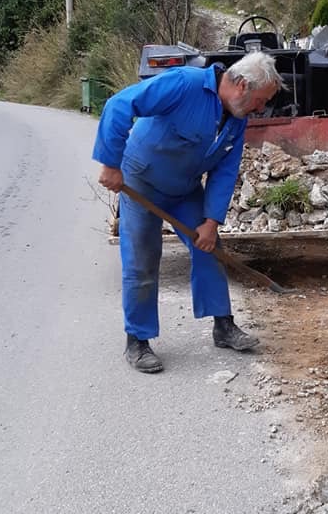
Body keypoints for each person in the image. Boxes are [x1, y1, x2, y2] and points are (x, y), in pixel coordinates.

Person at [93, 51, 283, 373]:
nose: (260, 108)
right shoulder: (184, 84)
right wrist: (111, 162)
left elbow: (225, 172)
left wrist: (211, 221)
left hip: (184, 190)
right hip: (140, 183)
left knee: (210, 248)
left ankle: (223, 326)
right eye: (260, 100)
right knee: (142, 259)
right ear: (240, 85)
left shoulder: (237, 121)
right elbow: (119, 105)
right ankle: (137, 342)